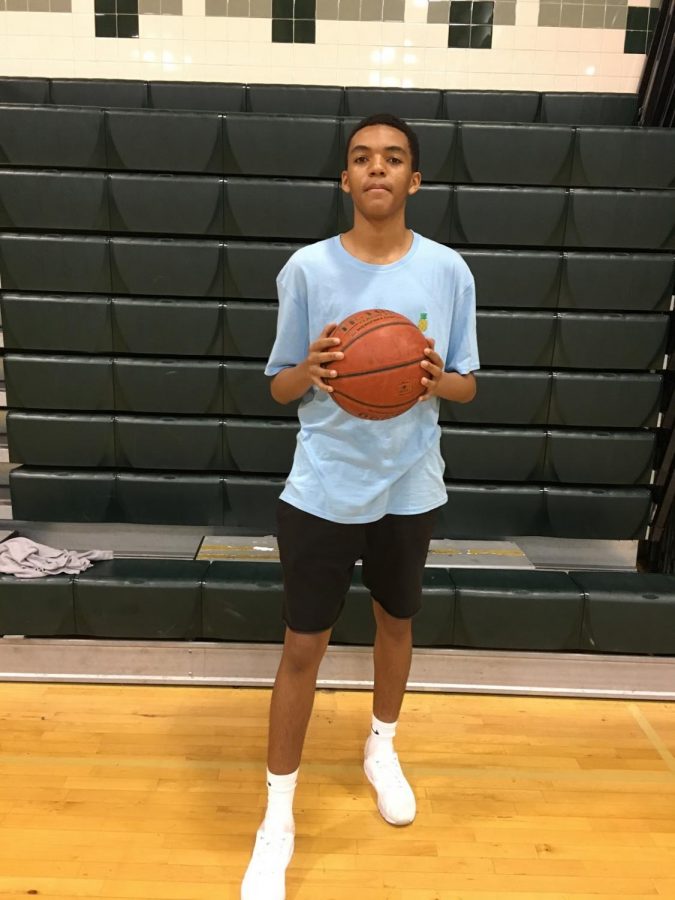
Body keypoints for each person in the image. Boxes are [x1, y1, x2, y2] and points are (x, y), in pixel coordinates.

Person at [241, 112, 480, 899]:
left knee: (395, 622)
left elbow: (467, 385)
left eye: (393, 159)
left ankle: (380, 747)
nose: (376, 170)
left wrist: (430, 376)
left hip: (410, 483)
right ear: (344, 180)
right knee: (301, 648)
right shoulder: (306, 271)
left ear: (414, 180)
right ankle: (276, 818)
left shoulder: (448, 272)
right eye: (361, 159)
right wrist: (306, 369)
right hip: (322, 485)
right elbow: (277, 386)